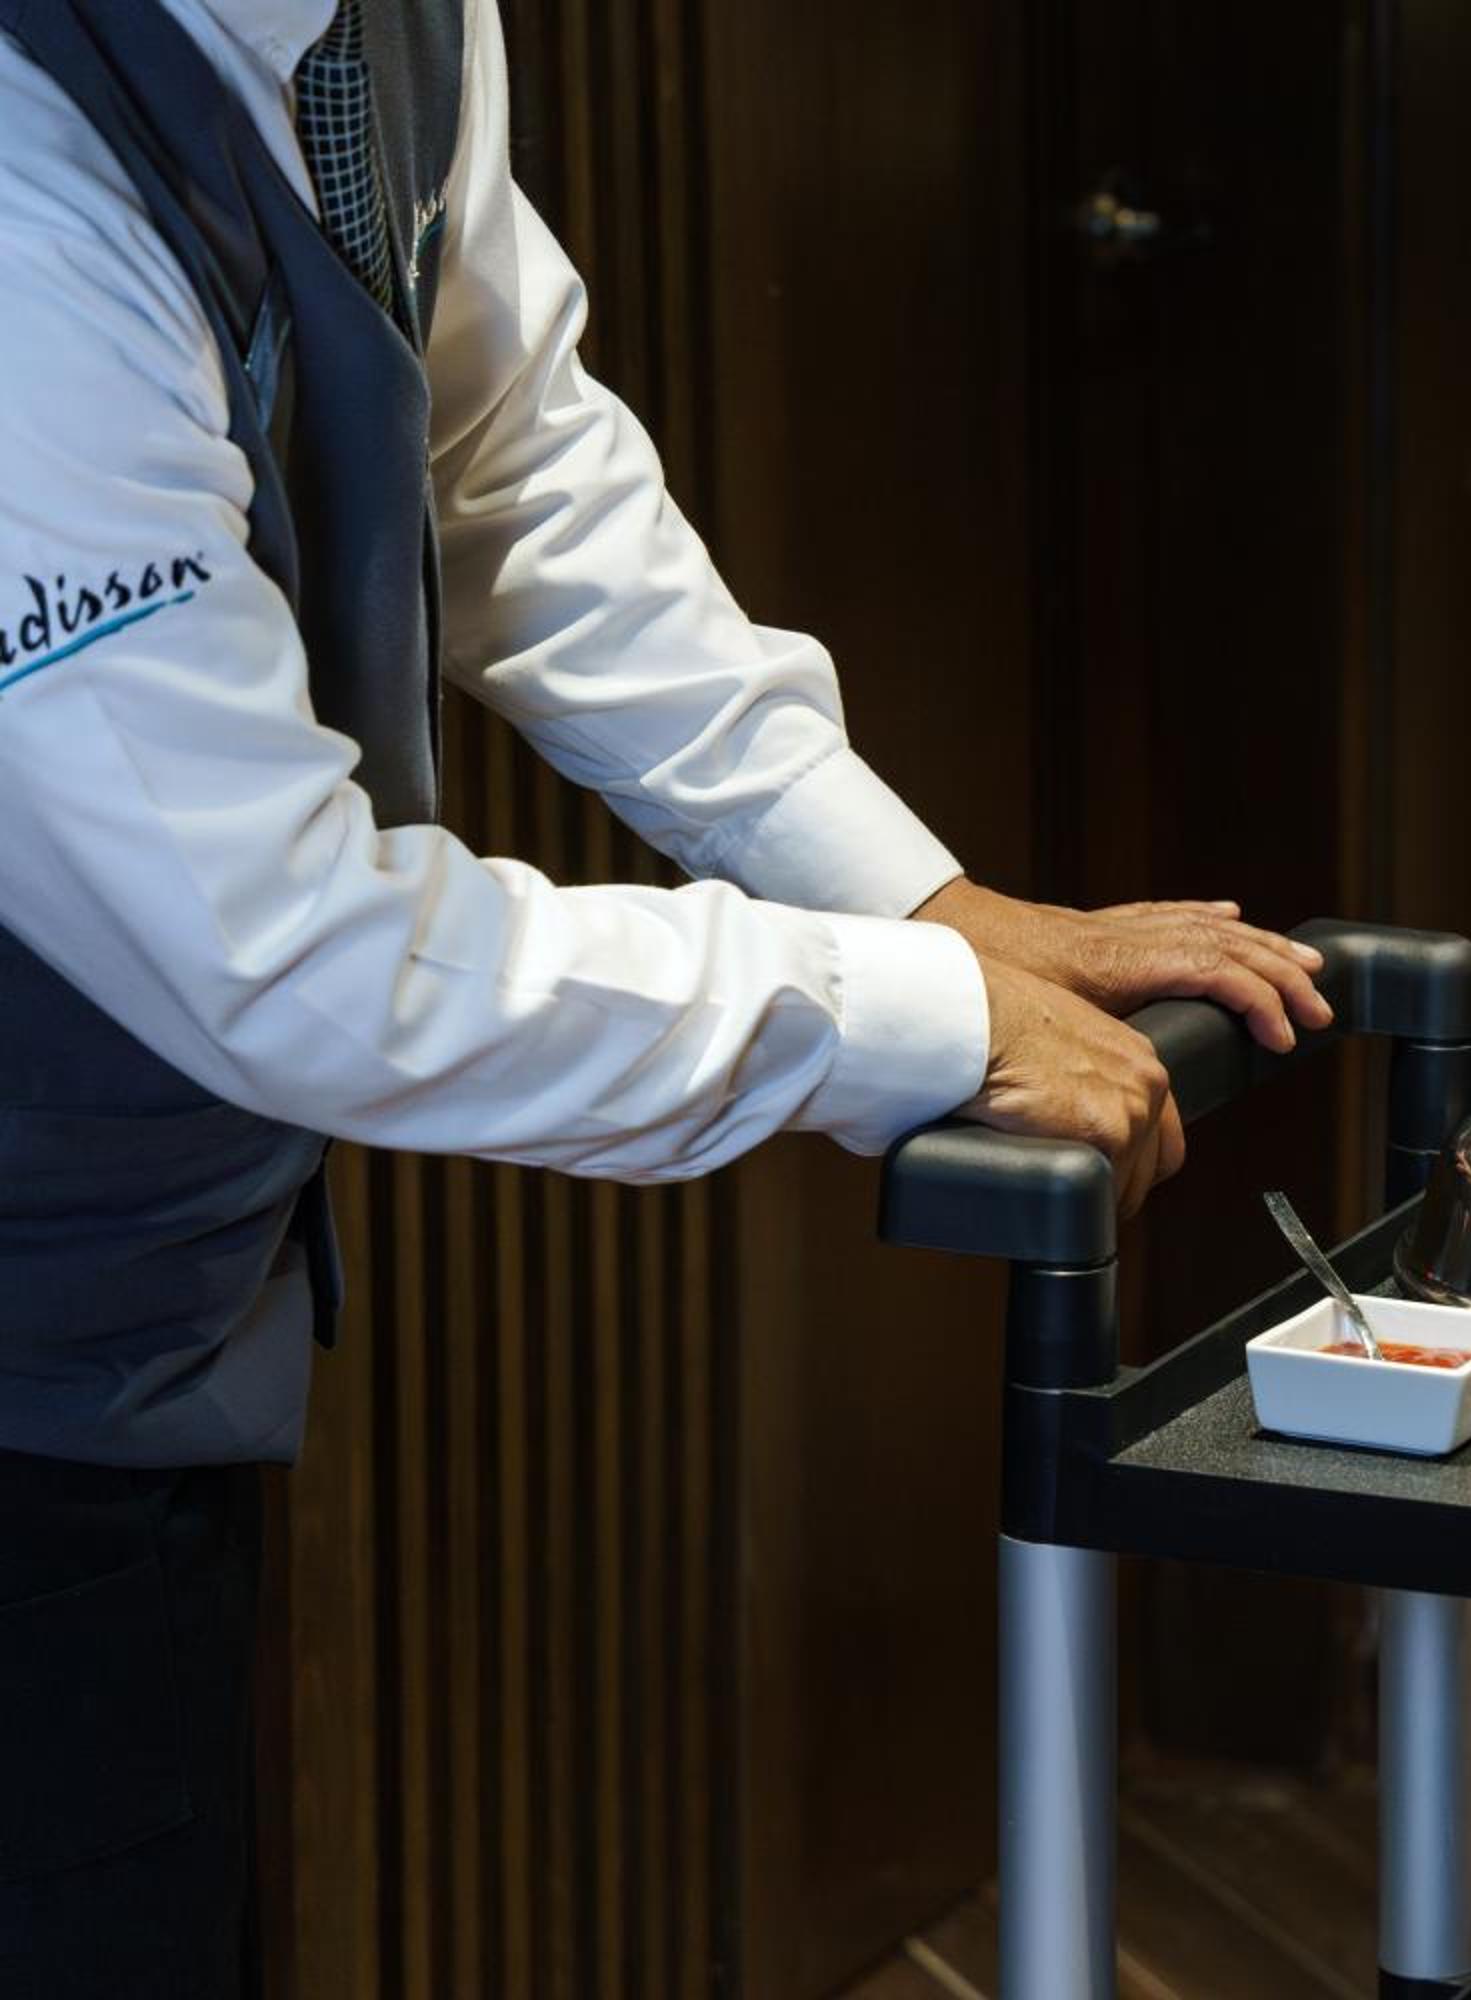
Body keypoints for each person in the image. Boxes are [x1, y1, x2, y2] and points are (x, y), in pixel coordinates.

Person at [0, 2, 1327, 1990]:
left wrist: (927, 901)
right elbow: (282, 944)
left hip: (152, 1316)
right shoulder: (25, 179)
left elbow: (509, 463)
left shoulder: (391, 25)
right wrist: (898, 1014)